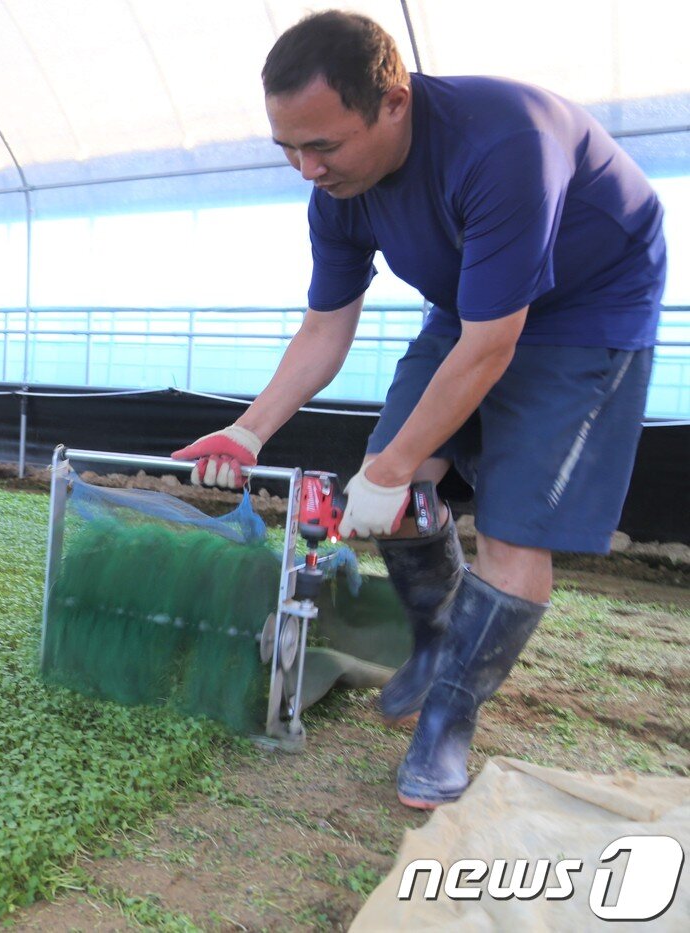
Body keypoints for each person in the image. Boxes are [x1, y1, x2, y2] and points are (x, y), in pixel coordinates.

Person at [172, 10, 665, 810]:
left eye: (322, 145)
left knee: (510, 527)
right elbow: (326, 327)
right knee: (393, 488)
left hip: (585, 309)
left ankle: (450, 715)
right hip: (470, 305)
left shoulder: (503, 143)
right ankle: (438, 642)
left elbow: (492, 345)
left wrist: (393, 466)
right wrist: (248, 427)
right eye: (287, 148)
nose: (305, 168)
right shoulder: (338, 190)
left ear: (393, 101)